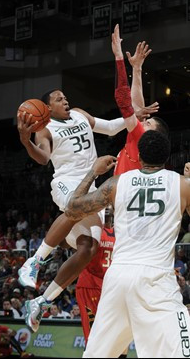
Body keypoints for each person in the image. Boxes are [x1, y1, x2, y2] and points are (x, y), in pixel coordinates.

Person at [18, 33, 158, 333]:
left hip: (93, 182)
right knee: (75, 206)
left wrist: (135, 116)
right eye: (58, 98)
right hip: (68, 182)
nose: (65, 99)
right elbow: (42, 158)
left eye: (64, 96)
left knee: (88, 249)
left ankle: (42, 302)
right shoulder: (46, 128)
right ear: (47, 108)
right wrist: (24, 139)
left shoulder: (80, 114)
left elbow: (109, 128)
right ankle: (35, 261)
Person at [65, 129, 190, 358]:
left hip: (118, 277)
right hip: (156, 280)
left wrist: (93, 172)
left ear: (140, 157)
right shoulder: (182, 185)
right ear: (168, 158)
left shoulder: (116, 183)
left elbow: (72, 207)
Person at [111, 24, 168, 176]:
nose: (143, 122)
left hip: (124, 197)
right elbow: (137, 108)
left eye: (147, 124)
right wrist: (137, 68)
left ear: (153, 136)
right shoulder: (140, 140)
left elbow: (124, 101)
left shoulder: (141, 138)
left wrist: (119, 57)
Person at [75, 205, 115, 344]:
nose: (108, 208)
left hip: (110, 287)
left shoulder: (121, 233)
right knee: (93, 337)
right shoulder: (93, 229)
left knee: (113, 336)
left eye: (111, 205)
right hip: (89, 284)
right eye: (105, 206)